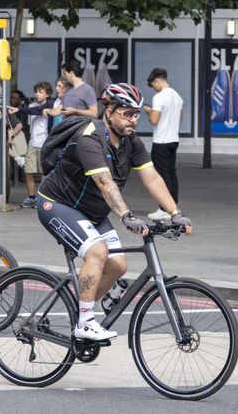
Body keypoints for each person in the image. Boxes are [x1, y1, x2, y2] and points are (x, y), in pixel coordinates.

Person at [35, 82, 191, 341]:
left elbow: (152, 177)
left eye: (137, 113)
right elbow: (105, 182)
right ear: (109, 111)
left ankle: (80, 310)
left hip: (92, 212)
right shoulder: (90, 138)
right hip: (58, 204)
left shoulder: (131, 141)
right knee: (97, 252)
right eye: (127, 113)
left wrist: (175, 211)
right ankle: (85, 322)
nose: (134, 119)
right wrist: (126, 216)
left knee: (118, 265)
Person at [143, 68, 184, 220]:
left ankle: (164, 209)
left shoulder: (159, 97)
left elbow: (154, 120)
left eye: (153, 85)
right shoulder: (178, 97)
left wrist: (149, 112)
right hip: (174, 139)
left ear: (157, 81)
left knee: (161, 175)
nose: (154, 88)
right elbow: (178, 119)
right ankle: (174, 206)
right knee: (171, 174)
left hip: (161, 140)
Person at [8, 81, 54, 208]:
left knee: (44, 172)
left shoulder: (50, 105)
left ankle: (43, 197)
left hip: (44, 143)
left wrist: (19, 109)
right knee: (28, 171)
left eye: (41, 92)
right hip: (33, 143)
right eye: (36, 92)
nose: (37, 94)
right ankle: (31, 197)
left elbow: (37, 111)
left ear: (48, 94)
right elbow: (31, 115)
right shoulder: (31, 105)